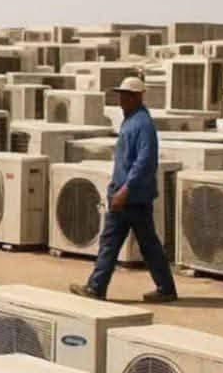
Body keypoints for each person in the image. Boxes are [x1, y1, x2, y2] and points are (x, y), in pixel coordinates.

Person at [71, 76, 178, 303]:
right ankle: (166, 288)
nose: (121, 100)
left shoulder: (142, 124)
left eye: (126, 96)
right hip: (131, 195)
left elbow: (144, 162)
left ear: (137, 97)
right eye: (120, 95)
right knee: (147, 244)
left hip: (130, 197)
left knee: (111, 242)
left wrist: (124, 190)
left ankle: (96, 287)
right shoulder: (131, 121)